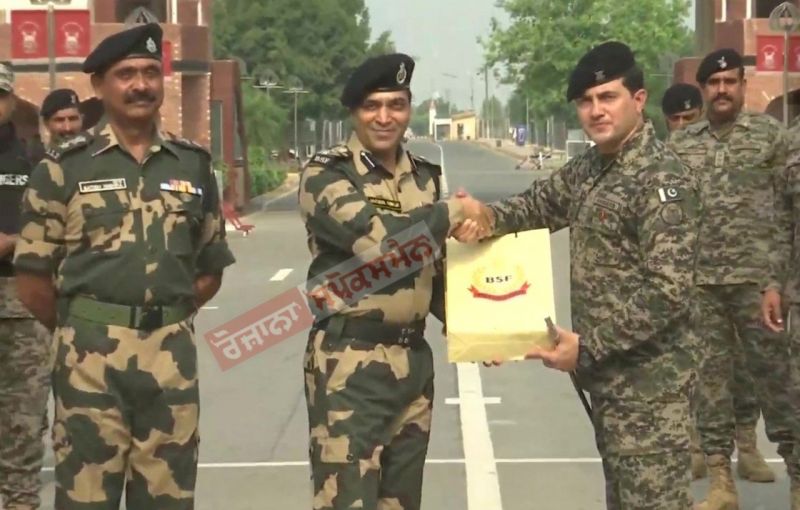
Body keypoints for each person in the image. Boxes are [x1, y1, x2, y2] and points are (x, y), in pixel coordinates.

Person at [455, 41, 702, 509]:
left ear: (639, 100)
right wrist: (483, 217)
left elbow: (668, 292)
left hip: (651, 390)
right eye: (586, 101)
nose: (596, 110)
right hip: (610, 384)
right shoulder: (591, 167)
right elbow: (536, 206)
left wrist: (588, 347)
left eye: (608, 97)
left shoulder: (663, 179)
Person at [13, 23, 235, 509]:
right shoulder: (64, 168)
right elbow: (31, 278)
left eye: (151, 72)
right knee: (86, 499)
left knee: (167, 499)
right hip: (89, 365)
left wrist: (163, 316)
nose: (141, 85)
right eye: (127, 74)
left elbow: (211, 266)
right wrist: (86, 327)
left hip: (170, 363)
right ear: (99, 85)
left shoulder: (192, 165)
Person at [298, 53, 472, 510]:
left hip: (412, 363)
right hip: (350, 364)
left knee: (402, 502)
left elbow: (433, 268)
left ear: (409, 108)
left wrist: (480, 327)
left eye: (396, 105)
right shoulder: (326, 174)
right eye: (372, 105)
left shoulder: (425, 177)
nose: (384, 117)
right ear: (354, 112)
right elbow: (381, 245)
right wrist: (451, 212)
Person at [670, 48, 799, 510]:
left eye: (730, 82)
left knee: (778, 382)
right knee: (709, 387)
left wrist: (778, 283)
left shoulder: (770, 137)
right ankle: (721, 482)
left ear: (743, 86)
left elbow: (787, 213)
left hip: (758, 285)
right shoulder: (683, 145)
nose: (722, 90)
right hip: (700, 286)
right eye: (714, 83)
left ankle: (798, 476)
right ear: (703, 89)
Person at [662, 80, 775, 484]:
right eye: (675, 119)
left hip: (751, 276)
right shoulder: (677, 148)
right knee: (699, 369)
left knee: (748, 369)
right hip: (698, 277)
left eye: (688, 117)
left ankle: (747, 445)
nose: (682, 124)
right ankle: (701, 451)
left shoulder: (764, 136)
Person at [0, 62, 51, 510]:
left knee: (23, 422)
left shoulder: (36, 162)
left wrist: (14, 241)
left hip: (21, 301)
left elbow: (59, 228)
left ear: (11, 102)